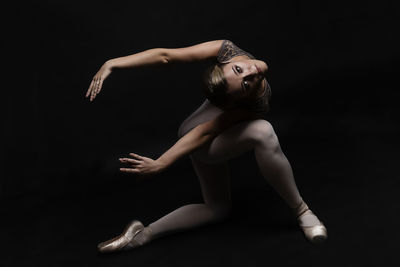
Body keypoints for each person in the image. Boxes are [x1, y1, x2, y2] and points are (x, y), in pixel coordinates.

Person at [85, 40, 328, 253]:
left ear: (225, 63)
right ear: (238, 100)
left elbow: (166, 56)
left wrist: (112, 63)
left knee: (217, 208)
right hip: (200, 139)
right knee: (263, 132)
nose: (251, 72)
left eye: (239, 69)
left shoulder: (226, 50)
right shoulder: (243, 105)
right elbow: (207, 131)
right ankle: (302, 211)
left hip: (202, 131)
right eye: (245, 84)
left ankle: (142, 234)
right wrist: (162, 163)